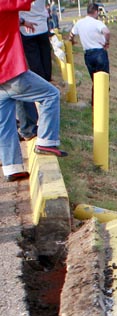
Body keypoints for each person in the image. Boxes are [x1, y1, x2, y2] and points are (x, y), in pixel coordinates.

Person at [1, 0, 68, 182]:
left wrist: (22, 22)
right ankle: (46, 141)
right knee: (50, 95)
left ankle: (12, 168)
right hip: (9, 70)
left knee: (5, 123)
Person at [16, 0, 52, 140]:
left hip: (28, 30)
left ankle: (26, 127)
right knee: (21, 87)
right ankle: (27, 127)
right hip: (37, 28)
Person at [69, 3, 110, 102]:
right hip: (99, 52)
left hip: (88, 55)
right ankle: (102, 102)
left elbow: (71, 34)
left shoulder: (79, 23)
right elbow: (107, 32)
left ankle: (94, 101)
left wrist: (72, 41)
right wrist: (106, 42)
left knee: (95, 80)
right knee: (103, 79)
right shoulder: (97, 23)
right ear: (96, 12)